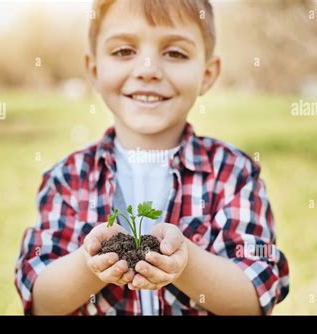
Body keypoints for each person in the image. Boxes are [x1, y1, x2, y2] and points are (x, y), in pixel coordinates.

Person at [15, 0, 289, 315]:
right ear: (94, 70)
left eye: (175, 53)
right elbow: (42, 302)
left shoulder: (232, 175)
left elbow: (254, 300)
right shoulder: (68, 178)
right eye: (123, 51)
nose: (147, 70)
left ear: (207, 73)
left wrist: (186, 263)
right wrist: (88, 266)